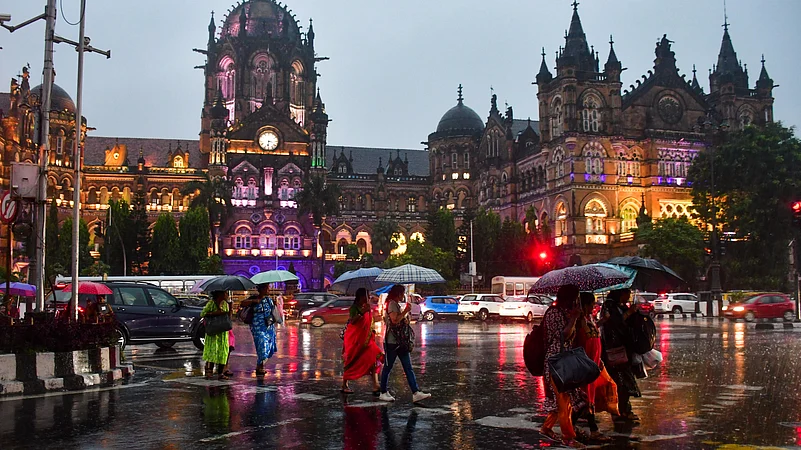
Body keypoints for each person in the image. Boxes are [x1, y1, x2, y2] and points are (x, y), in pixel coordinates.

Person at [540, 284, 585, 449]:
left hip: (564, 359)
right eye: (575, 298)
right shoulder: (553, 314)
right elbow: (562, 336)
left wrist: (577, 317)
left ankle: (547, 427)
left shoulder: (565, 313)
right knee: (563, 398)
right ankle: (568, 438)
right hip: (555, 361)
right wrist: (573, 318)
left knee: (563, 398)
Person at [378, 285, 431, 403]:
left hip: (400, 342)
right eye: (402, 293)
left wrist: (405, 316)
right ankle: (382, 392)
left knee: (408, 368)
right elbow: (394, 320)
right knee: (388, 367)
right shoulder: (391, 304)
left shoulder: (395, 304)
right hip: (392, 342)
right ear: (398, 293)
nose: (403, 296)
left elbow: (399, 319)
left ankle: (415, 392)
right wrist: (405, 311)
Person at [572, 292, 613, 442]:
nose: (593, 307)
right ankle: (590, 428)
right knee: (585, 398)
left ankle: (573, 426)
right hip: (584, 366)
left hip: (593, 365)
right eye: (591, 304)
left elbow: (594, 333)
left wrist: (603, 321)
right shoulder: (578, 320)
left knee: (589, 398)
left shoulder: (589, 318)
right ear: (584, 305)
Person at [600, 288, 641, 423]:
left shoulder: (618, 306)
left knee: (623, 381)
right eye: (626, 293)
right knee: (620, 381)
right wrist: (629, 312)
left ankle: (623, 409)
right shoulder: (610, 306)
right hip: (615, 350)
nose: (628, 296)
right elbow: (614, 324)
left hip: (623, 348)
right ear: (621, 294)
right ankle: (621, 410)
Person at [341, 288, 384, 395]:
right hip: (356, 341)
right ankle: (344, 384)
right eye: (366, 295)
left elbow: (370, 322)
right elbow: (353, 321)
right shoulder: (354, 308)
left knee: (374, 360)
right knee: (352, 361)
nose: (368, 297)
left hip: (368, 341)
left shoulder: (368, 307)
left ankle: (376, 384)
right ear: (361, 297)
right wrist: (363, 312)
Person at [240, 284, 278, 376]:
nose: (268, 290)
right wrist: (254, 301)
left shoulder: (269, 300)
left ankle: (260, 366)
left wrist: (275, 304)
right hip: (257, 326)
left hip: (268, 326)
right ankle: (259, 366)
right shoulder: (254, 298)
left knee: (269, 346)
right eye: (266, 288)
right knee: (262, 344)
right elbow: (242, 303)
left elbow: (273, 312)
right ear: (261, 289)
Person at [201, 291, 231, 380]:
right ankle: (210, 371)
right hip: (213, 331)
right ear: (220, 294)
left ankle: (220, 373)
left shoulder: (225, 304)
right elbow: (203, 314)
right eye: (225, 293)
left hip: (222, 331)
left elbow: (229, 316)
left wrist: (230, 308)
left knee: (223, 351)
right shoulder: (211, 303)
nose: (227, 295)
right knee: (212, 351)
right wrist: (216, 313)